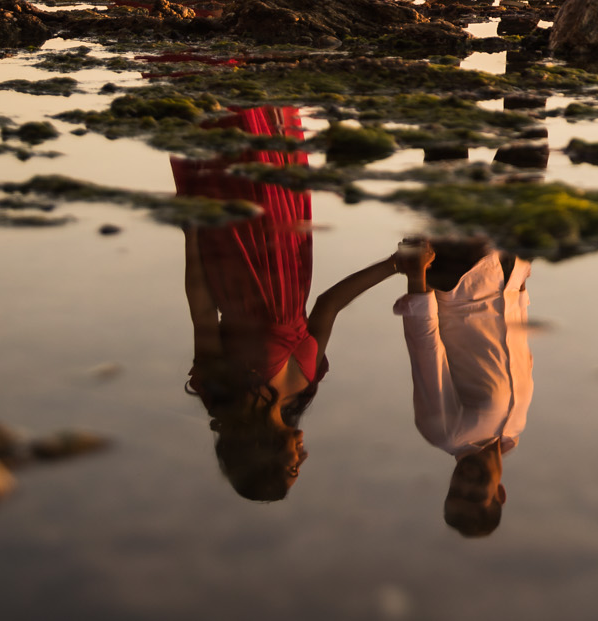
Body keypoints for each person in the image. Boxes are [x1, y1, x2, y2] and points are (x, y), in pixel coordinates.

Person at [174, 107, 404, 500]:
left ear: (260, 456)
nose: (304, 456)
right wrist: (393, 265)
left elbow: (202, 311)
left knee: (242, 150)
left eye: (293, 465)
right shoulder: (305, 388)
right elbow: (328, 306)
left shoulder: (225, 393)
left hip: (240, 255)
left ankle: (219, 71)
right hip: (292, 259)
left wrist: (192, 232)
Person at [393, 236, 533, 536]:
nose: (465, 483)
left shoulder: (445, 432)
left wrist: (418, 274)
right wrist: (520, 284)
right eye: (474, 494)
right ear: (500, 494)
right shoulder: (515, 425)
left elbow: (424, 348)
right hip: (508, 271)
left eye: (456, 492)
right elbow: (520, 349)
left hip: (463, 278)